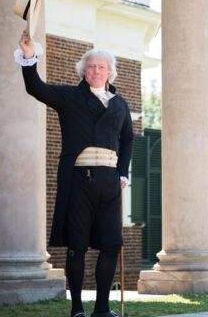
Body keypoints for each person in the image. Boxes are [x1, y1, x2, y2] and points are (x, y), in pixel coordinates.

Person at [14, 29, 134, 317]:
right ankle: (77, 309)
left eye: (101, 67)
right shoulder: (69, 97)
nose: (96, 71)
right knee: (77, 246)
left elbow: (128, 138)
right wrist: (29, 55)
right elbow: (36, 88)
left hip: (109, 184)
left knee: (111, 245)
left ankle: (102, 309)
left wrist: (123, 172)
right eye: (91, 67)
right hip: (80, 181)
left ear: (110, 72)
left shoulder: (120, 104)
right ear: (84, 70)